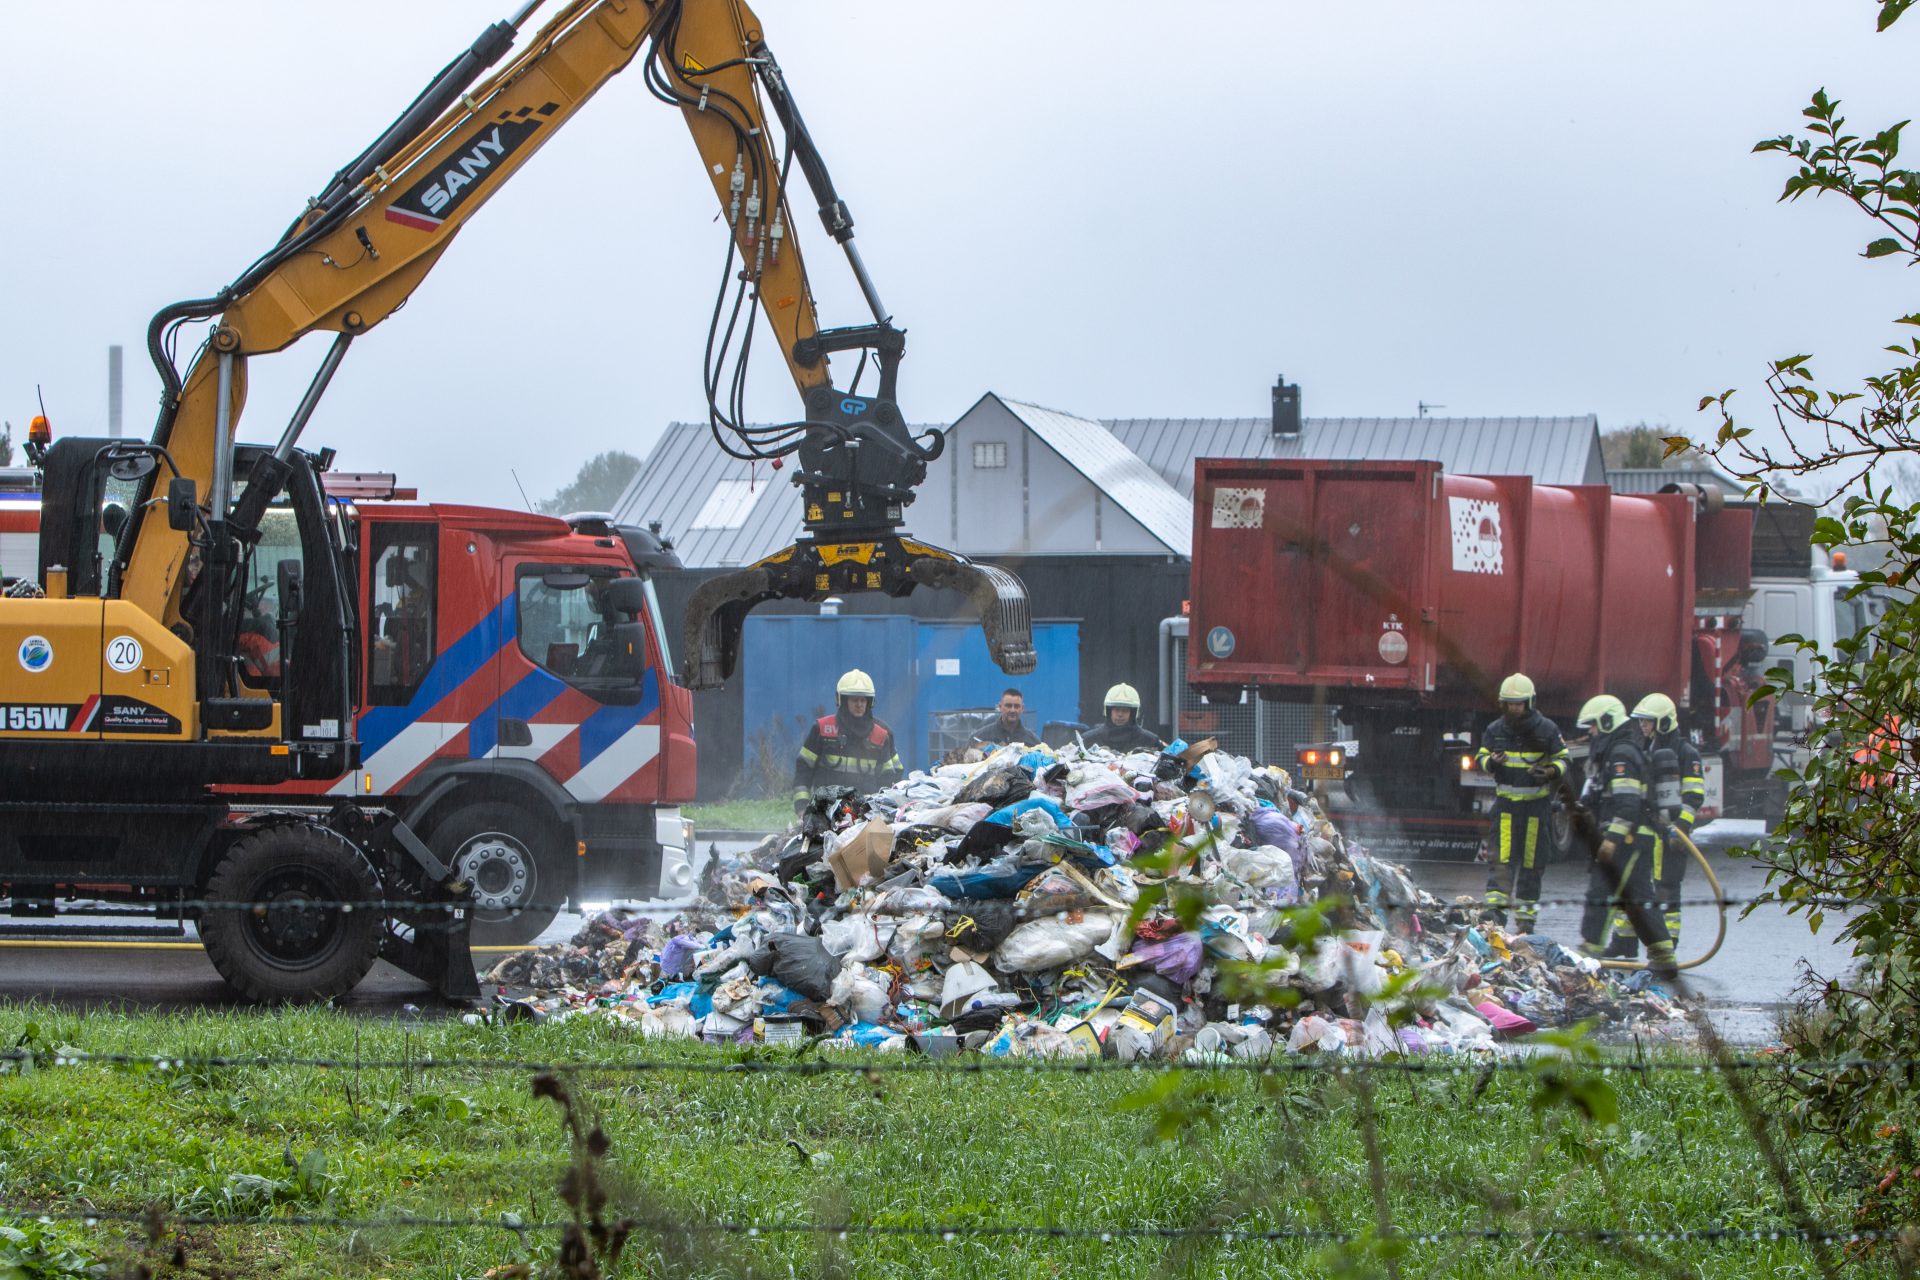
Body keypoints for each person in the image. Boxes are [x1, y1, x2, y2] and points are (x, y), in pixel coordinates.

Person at [1574, 693, 1676, 974]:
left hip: (1628, 838)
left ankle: (1590, 949)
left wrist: (1612, 840)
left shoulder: (1621, 754)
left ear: (1607, 722)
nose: (1591, 732)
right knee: (1639, 896)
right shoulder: (1618, 752)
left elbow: (1628, 805)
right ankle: (1663, 954)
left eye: (1593, 725)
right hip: (1635, 837)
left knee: (1601, 891)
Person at [1608, 692, 1706, 956]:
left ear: (1663, 722)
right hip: (1645, 829)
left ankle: (1666, 945)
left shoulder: (1686, 753)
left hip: (1671, 833)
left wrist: (1681, 826)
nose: (1643, 725)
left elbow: (1694, 795)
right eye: (1641, 721)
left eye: (1648, 721)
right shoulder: (1643, 749)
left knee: (1666, 888)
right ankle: (1624, 940)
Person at [1476, 672, 1568, 934]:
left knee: (1532, 864)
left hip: (1536, 809)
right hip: (1506, 808)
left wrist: (1550, 771)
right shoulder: (1495, 730)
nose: (1514, 709)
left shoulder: (1547, 729)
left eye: (1519, 704)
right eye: (1510, 704)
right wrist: (1492, 762)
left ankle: (1526, 922)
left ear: (1529, 703)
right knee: (1501, 862)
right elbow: (1481, 757)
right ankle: (1495, 916)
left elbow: (1564, 759)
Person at [791, 669, 903, 811]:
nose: (859, 704)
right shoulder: (823, 729)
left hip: (866, 813)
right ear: (842, 700)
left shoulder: (881, 735)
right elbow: (804, 768)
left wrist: (885, 810)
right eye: (854, 699)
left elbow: (892, 777)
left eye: (863, 700)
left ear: (870, 702)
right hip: (825, 811)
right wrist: (802, 806)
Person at [1082, 682, 1163, 752]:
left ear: (1133, 713)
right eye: (1116, 710)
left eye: (1125, 710)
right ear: (1109, 711)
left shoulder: (1150, 741)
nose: (1120, 714)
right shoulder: (1087, 740)